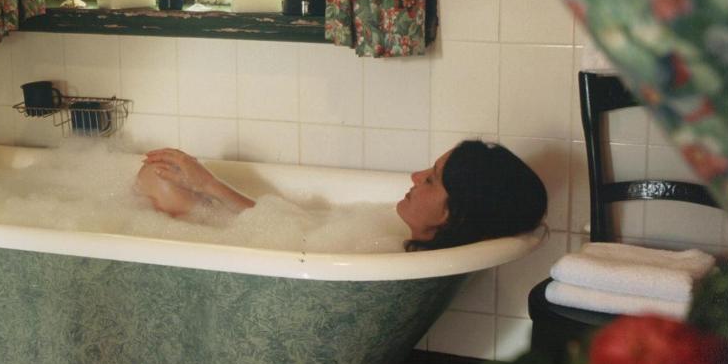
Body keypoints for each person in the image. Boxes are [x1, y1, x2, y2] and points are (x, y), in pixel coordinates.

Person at [138, 140, 547, 250]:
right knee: (159, 179)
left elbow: (294, 243)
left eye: (431, 181)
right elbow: (293, 232)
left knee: (158, 183)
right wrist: (204, 186)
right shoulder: (384, 232)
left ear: (451, 215)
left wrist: (208, 185)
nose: (415, 175)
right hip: (268, 239)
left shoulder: (386, 253)